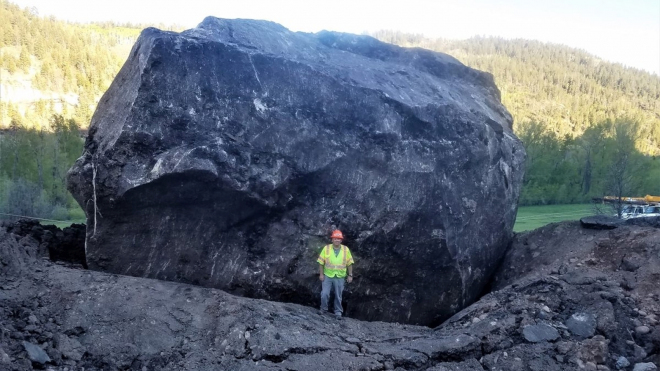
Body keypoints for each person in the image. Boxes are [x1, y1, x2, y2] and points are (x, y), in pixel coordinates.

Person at [317, 229, 354, 319]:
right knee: (325, 294)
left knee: (338, 295)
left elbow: (349, 263)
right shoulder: (327, 248)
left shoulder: (346, 250)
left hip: (340, 276)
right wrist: (321, 275)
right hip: (328, 275)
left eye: (339, 238)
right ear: (332, 239)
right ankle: (323, 309)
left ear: (341, 240)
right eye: (335, 238)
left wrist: (350, 275)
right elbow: (321, 262)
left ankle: (338, 312)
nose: (337, 240)